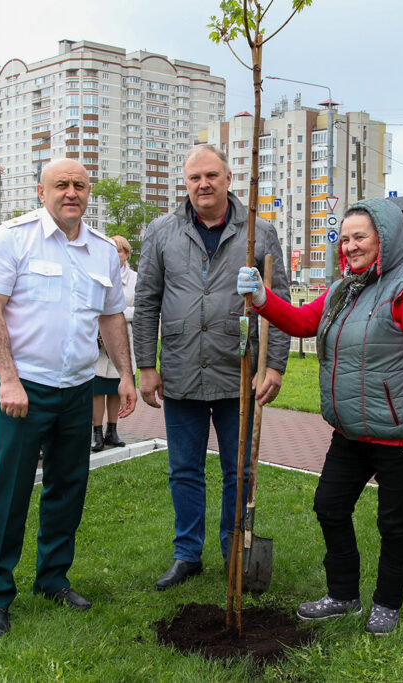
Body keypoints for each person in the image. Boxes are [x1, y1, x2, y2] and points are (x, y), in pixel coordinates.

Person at [238, 198, 403, 635]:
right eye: (345, 238)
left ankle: (387, 603)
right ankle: (343, 595)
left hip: (400, 436)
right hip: (351, 432)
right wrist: (262, 297)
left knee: (393, 522)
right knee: (329, 507)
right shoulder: (343, 289)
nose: (350, 246)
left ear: (384, 240)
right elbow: (300, 322)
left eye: (361, 237)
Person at [0, 159, 136, 639]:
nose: (71, 193)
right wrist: (7, 378)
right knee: (11, 491)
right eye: (61, 185)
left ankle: (52, 578)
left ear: (90, 192)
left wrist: (125, 375)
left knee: (68, 487)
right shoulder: (12, 238)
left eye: (79, 185)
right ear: (40, 190)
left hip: (78, 389)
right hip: (24, 390)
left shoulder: (103, 250)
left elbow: (110, 318)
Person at [133, 143, 290, 591]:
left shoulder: (258, 232)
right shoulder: (162, 232)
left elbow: (277, 302)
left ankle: (233, 550)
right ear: (185, 183)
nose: (203, 184)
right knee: (184, 469)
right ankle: (187, 555)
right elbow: (146, 303)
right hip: (181, 369)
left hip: (237, 371)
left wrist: (273, 366)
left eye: (211, 176)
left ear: (228, 179)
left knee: (238, 471)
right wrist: (147, 364)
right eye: (194, 178)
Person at [92, 235, 137, 452]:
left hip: (124, 340)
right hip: (99, 341)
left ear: (126, 254)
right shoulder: (98, 274)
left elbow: (141, 308)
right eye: (111, 250)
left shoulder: (136, 279)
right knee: (98, 388)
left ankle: (113, 429)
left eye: (119, 250)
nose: (115, 255)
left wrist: (117, 312)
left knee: (115, 388)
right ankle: (96, 432)